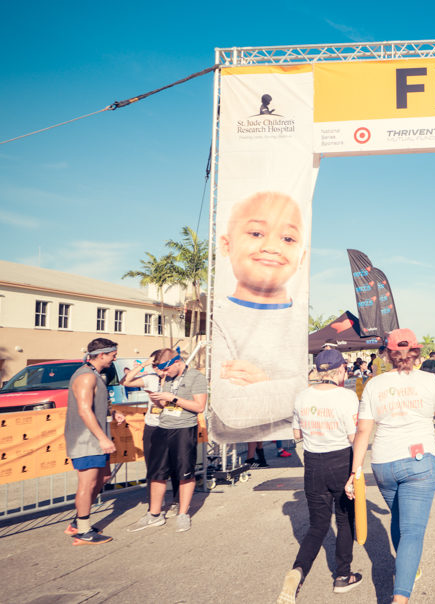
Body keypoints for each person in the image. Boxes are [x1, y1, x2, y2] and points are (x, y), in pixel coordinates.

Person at [346, 329, 435, 604]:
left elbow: (362, 432)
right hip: (420, 462)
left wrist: (354, 471)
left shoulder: (374, 384)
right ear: (416, 353)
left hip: (383, 462)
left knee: (398, 518)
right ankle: (400, 598)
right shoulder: (430, 381)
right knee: (412, 531)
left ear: (389, 355)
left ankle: (408, 568)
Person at [210, 191, 308, 443]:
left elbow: (314, 389)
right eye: (256, 233)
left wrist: (265, 384)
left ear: (302, 257)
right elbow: (232, 409)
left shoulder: (301, 322)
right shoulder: (218, 320)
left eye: (288, 238)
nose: (272, 247)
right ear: (226, 244)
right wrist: (294, 387)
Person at [277, 349, 362, 603]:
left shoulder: (302, 397)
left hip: (313, 463)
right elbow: (352, 438)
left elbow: (296, 435)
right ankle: (342, 576)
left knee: (317, 526)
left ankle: (298, 571)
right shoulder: (346, 397)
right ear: (339, 371)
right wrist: (355, 473)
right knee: (345, 520)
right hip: (341, 461)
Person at [128, 347, 208, 533]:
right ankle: (154, 514)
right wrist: (158, 400)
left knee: (184, 473)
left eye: (166, 370)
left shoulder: (196, 377)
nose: (163, 374)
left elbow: (199, 406)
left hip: (183, 429)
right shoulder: (168, 377)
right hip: (162, 427)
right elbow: (165, 404)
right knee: (157, 472)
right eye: (162, 371)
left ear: (176, 363)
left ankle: (183, 514)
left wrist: (172, 397)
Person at [63, 338, 125, 545]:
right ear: (101, 355)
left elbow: (98, 404)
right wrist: (102, 438)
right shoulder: (86, 377)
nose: (114, 359)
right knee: (87, 484)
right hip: (86, 440)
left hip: (97, 438)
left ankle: (77, 521)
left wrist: (113, 412)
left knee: (103, 477)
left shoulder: (97, 375)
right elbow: (83, 409)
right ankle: (82, 530)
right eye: (113, 355)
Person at [122, 351, 180, 517]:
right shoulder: (150, 378)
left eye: (161, 366)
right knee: (153, 468)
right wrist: (143, 365)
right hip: (153, 427)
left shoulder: (175, 379)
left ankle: (177, 501)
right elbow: (125, 382)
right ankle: (156, 505)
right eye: (156, 366)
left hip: (172, 426)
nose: (159, 370)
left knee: (175, 466)